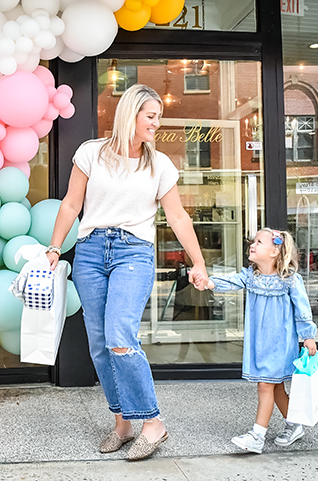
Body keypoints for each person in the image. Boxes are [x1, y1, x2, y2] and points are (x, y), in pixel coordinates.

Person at [45, 84, 208, 461]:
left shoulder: (160, 164)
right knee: (100, 345)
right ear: (130, 115)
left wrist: (198, 261)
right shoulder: (90, 153)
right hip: (89, 252)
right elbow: (71, 204)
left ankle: (153, 422)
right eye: (150, 116)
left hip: (132, 252)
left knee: (120, 334)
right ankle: (122, 422)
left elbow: (178, 216)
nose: (156, 122)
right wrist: (55, 246)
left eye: (157, 117)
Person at [194, 228, 317, 454]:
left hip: (280, 344)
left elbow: (302, 309)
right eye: (254, 241)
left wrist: (308, 336)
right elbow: (229, 281)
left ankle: (257, 435)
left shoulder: (290, 280)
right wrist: (208, 282)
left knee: (265, 386)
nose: (253, 244)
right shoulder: (251, 277)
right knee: (276, 387)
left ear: (274, 251)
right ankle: (294, 425)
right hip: (260, 343)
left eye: (259, 242)